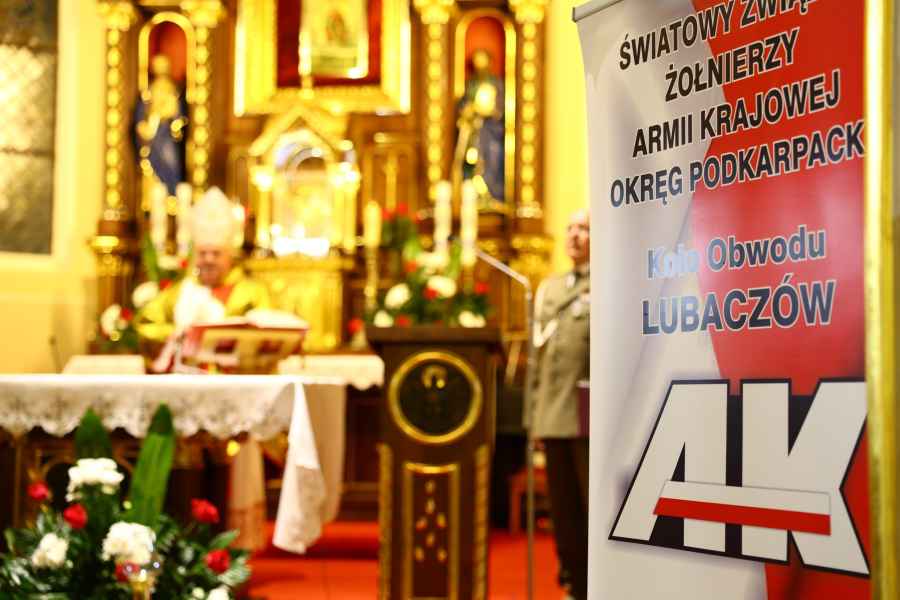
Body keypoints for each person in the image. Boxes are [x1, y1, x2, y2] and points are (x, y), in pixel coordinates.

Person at [526, 209, 590, 600]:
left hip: (586, 417)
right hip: (553, 415)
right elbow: (538, 360)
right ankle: (572, 582)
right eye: (570, 228)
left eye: (584, 229)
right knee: (563, 512)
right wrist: (534, 418)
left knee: (589, 507)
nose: (575, 235)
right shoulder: (549, 289)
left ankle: (594, 586)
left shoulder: (607, 283)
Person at [135, 187, 271, 345]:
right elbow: (145, 324)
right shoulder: (180, 292)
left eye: (216, 253)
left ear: (230, 255)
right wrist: (182, 334)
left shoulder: (253, 292)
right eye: (202, 253)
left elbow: (267, 334)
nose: (208, 259)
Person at [453, 48, 505, 206]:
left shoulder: (496, 83)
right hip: (474, 130)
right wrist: (468, 111)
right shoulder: (471, 84)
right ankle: (473, 195)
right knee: (472, 159)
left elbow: (500, 109)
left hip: (490, 131)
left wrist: (487, 111)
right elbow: (463, 105)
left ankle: (491, 194)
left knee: (491, 160)